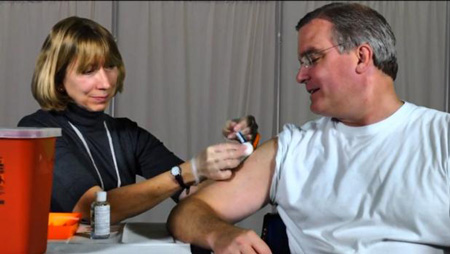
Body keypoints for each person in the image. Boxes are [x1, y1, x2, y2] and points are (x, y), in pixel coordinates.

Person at [167, 3, 450, 254]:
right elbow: (187, 212)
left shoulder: (441, 137)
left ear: (362, 57)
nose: (300, 75)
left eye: (312, 59)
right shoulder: (292, 149)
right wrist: (221, 234)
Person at [18, 16, 259, 225]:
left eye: (110, 66)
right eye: (88, 71)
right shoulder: (38, 131)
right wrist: (187, 171)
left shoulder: (126, 133)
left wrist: (240, 154)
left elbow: (191, 191)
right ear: (58, 79)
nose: (105, 82)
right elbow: (92, 210)